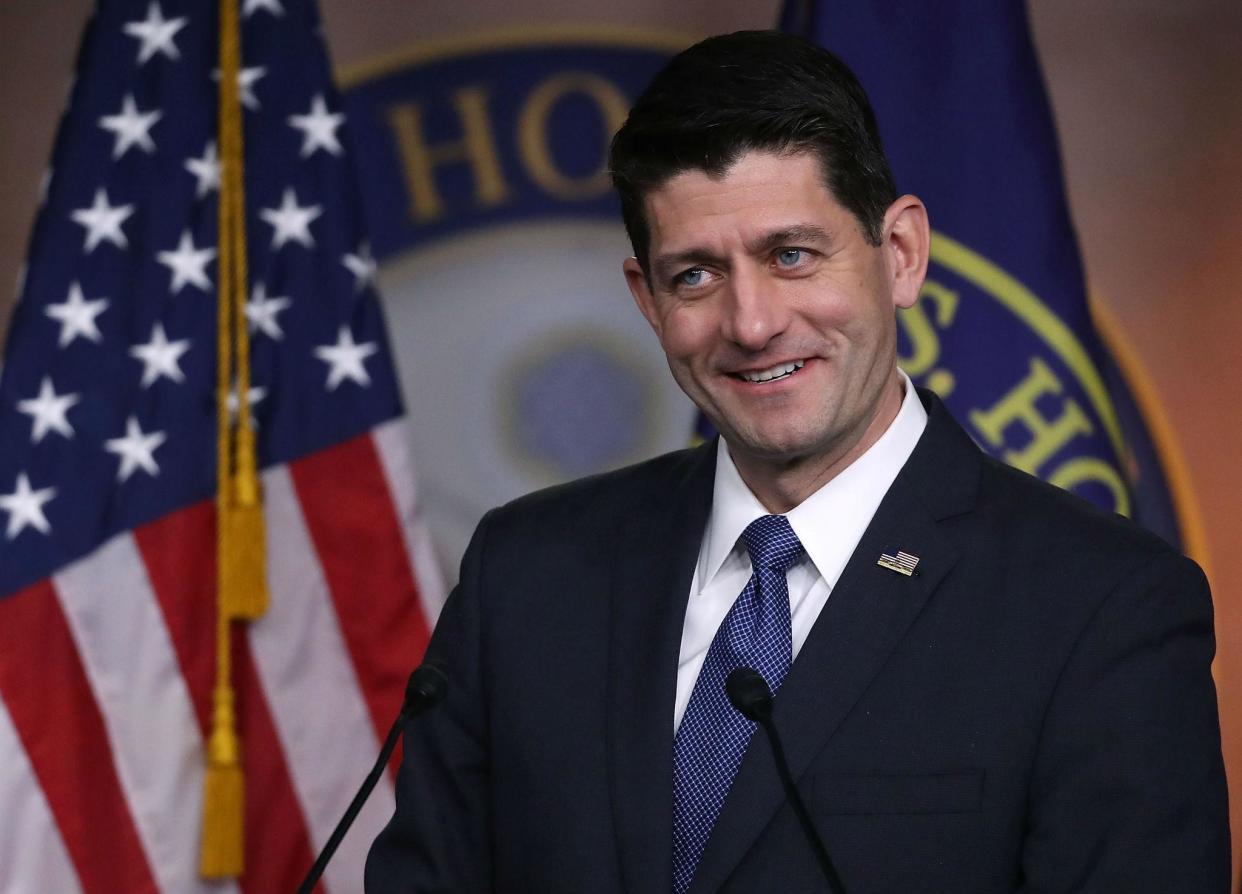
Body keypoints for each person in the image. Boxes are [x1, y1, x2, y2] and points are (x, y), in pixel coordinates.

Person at [366, 30, 1229, 893]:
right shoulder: (525, 576)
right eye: (696, 276)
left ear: (900, 254)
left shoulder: (1102, 606)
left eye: (791, 256)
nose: (751, 322)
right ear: (647, 300)